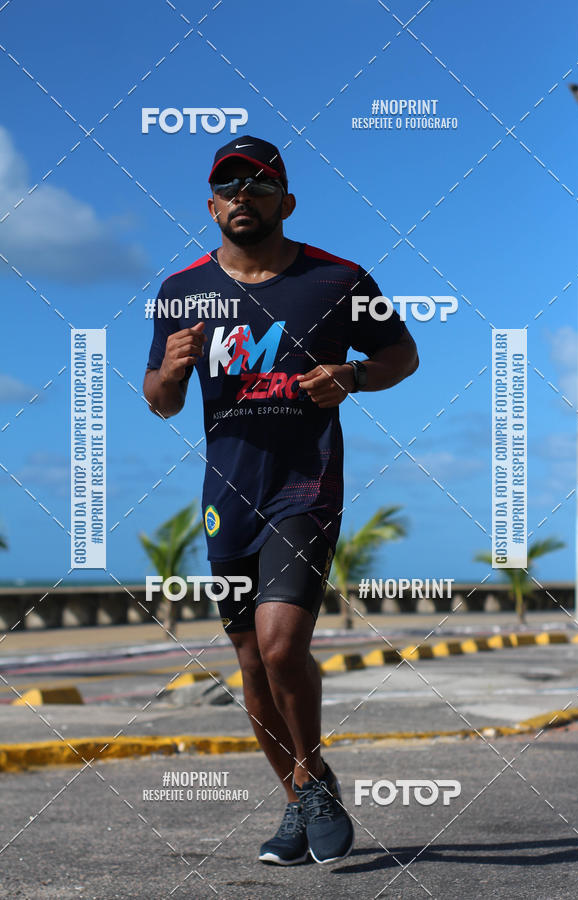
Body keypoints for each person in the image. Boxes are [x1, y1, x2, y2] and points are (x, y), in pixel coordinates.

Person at [143, 135, 419, 866]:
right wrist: (170, 372)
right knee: (252, 668)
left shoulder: (339, 279)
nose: (243, 197)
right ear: (211, 207)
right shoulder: (181, 293)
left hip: (305, 486)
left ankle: (310, 784)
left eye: (258, 187)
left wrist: (354, 378)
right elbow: (160, 403)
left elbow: (403, 356)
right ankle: (306, 791)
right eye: (229, 188)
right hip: (226, 497)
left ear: (285, 203)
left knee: (281, 646)